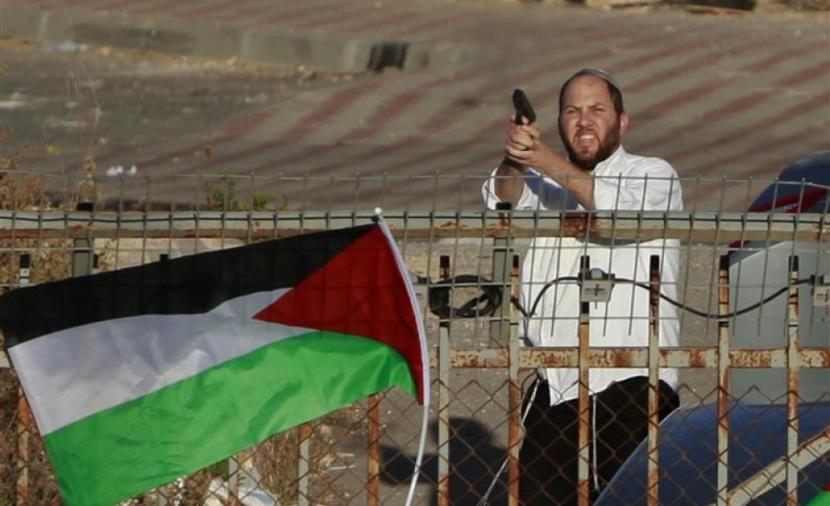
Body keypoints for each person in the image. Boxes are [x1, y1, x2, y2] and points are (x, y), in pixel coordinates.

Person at [481, 68, 683, 504]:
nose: (584, 121)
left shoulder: (652, 173)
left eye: (596, 110)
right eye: (572, 111)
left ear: (622, 122)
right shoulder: (544, 180)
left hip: (633, 381)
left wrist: (545, 160)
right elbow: (502, 200)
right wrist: (517, 156)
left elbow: (618, 216)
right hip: (558, 384)